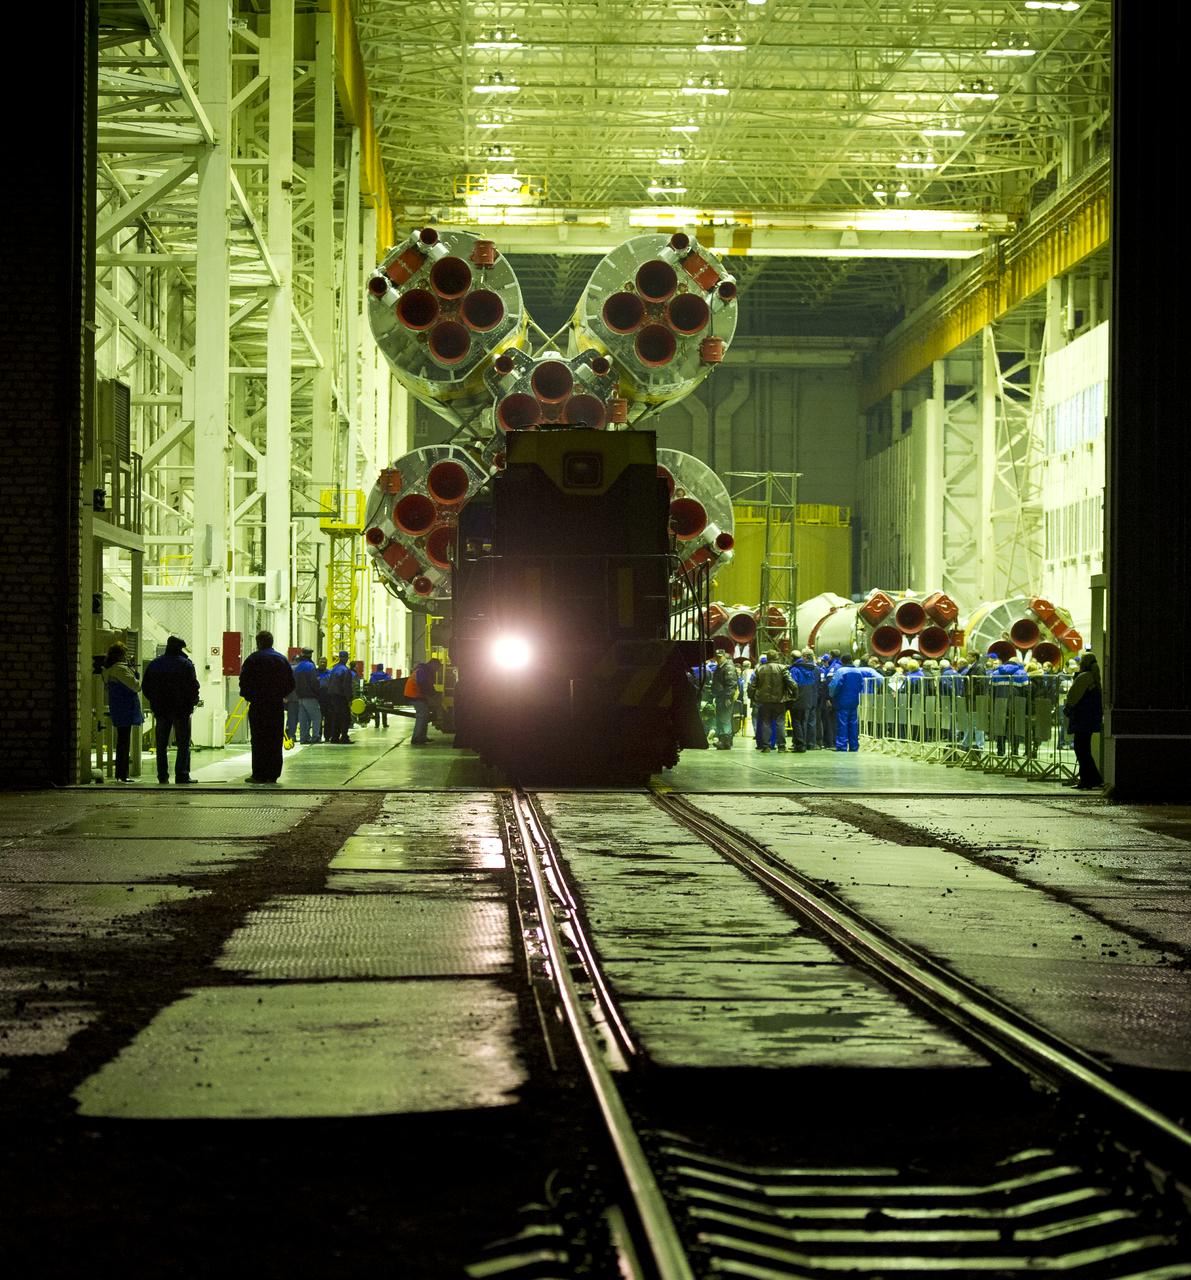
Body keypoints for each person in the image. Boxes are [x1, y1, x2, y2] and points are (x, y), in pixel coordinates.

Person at [238, 630, 296, 784]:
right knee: (275, 739)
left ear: (258, 643)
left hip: (258, 706)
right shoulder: (281, 660)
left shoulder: (252, 660)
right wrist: (279, 695)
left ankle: (259, 774)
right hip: (276, 706)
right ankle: (273, 774)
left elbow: (243, 683)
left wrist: (251, 697)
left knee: (258, 739)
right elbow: (291, 683)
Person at [142, 635, 201, 784]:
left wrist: (155, 701)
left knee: (161, 744)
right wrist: (191, 703)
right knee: (183, 743)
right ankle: (182, 775)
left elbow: (146, 687)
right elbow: (193, 687)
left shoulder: (155, 664)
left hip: (161, 709)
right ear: (179, 648)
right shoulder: (186, 665)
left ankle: (162, 776)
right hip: (181, 710)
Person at [101, 641, 143, 782]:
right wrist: (134, 672)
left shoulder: (109, 669)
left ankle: (122, 773)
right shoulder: (120, 669)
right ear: (120, 655)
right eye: (125, 653)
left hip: (118, 708)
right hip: (125, 708)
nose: (127, 656)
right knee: (124, 743)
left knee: (122, 742)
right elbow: (136, 686)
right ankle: (122, 774)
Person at [1064, 652, 1104, 790]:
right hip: (1090, 719)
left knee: (1081, 750)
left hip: (1081, 718)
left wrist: (1068, 709)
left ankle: (1088, 780)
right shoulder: (1095, 678)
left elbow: (1072, 696)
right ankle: (1093, 779)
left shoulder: (1084, 677)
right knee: (1085, 749)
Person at [828, 656, 869, 752]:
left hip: (842, 701)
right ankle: (854, 746)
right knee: (853, 724)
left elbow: (835, 685)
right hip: (854, 701)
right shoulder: (858, 671)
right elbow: (861, 686)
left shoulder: (841, 671)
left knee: (842, 724)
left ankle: (842, 746)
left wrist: (831, 695)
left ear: (842, 661)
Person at [752, 650, 788, 753]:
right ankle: (781, 746)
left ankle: (766, 746)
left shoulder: (760, 669)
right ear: (776, 657)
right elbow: (791, 683)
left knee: (765, 722)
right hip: (779, 700)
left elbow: (752, 686)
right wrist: (791, 696)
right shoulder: (782, 668)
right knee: (780, 722)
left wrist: (753, 697)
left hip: (764, 701)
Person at [787, 649, 819, 752]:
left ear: (792, 658)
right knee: (803, 722)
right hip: (808, 699)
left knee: (796, 722)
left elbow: (793, 685)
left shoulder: (794, 670)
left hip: (797, 699)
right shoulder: (810, 669)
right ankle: (804, 743)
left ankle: (800, 745)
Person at [405, 657, 442, 745]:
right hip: (414, 694)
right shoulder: (422, 670)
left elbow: (428, 685)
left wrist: (433, 693)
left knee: (425, 715)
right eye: (437, 668)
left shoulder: (425, 670)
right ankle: (416, 738)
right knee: (422, 716)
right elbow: (423, 684)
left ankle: (422, 737)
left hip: (418, 694)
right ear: (433, 665)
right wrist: (432, 694)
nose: (437, 670)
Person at [326, 650, 355, 744]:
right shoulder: (346, 670)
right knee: (346, 718)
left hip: (332, 696)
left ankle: (334, 737)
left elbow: (329, 683)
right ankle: (344, 737)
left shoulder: (334, 669)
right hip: (341, 697)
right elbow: (347, 686)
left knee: (336, 717)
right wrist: (350, 699)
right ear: (346, 658)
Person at [293, 648, 322, 743]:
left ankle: (303, 738)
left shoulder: (298, 667)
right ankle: (315, 737)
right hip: (310, 696)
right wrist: (317, 693)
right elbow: (314, 682)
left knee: (303, 719)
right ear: (310, 655)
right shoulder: (310, 666)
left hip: (300, 697)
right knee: (316, 717)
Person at [710, 650, 738, 749]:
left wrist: (728, 697)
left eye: (720, 657)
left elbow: (731, 683)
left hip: (725, 697)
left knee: (725, 719)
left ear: (724, 656)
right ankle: (724, 741)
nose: (718, 659)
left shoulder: (728, 667)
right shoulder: (721, 667)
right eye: (717, 657)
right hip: (720, 696)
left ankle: (725, 741)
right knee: (721, 719)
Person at [368, 662, 392, 728]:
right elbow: (390, 684)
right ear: (382, 668)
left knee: (376, 709)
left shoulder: (373, 676)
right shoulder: (387, 676)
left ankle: (377, 724)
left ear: (377, 668)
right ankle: (385, 724)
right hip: (384, 695)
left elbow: (370, 685)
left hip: (376, 694)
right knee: (384, 709)